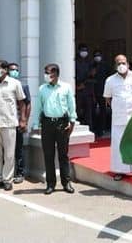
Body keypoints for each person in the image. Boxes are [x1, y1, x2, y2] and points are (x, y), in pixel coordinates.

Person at [31, 63, 77, 195]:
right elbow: (38, 107)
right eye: (45, 72)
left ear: (56, 74)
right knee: (48, 154)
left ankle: (66, 182)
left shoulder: (66, 87)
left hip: (62, 123)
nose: (46, 75)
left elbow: (71, 105)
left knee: (63, 154)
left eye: (48, 72)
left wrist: (72, 121)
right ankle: (50, 184)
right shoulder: (42, 89)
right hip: (47, 124)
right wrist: (36, 125)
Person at [0, 60, 26, 191]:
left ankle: (7, 179)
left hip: (9, 123)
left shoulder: (15, 84)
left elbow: (22, 103)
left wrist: (23, 119)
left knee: (9, 154)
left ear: (5, 70)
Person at [103, 55, 132, 181]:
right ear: (115, 66)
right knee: (118, 144)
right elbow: (107, 98)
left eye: (123, 62)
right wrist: (117, 106)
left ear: (128, 64)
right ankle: (120, 171)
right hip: (119, 117)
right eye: (118, 63)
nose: (121, 65)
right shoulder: (110, 80)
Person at [7, 62, 31, 184]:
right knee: (6, 149)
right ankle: (6, 174)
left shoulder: (23, 86)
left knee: (18, 149)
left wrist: (24, 120)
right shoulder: (3, 86)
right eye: (11, 70)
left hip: (18, 121)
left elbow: (28, 105)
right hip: (6, 121)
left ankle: (20, 173)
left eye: (16, 70)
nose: (14, 72)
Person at [75, 44, 95, 130]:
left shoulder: (90, 62)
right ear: (79, 51)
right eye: (82, 50)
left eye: (85, 50)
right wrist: (77, 86)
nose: (84, 52)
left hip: (87, 90)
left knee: (88, 113)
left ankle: (89, 129)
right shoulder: (75, 62)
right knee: (77, 112)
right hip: (78, 91)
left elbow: (93, 76)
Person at [91, 50, 110, 136]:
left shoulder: (105, 65)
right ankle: (93, 128)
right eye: (95, 56)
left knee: (103, 111)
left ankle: (101, 129)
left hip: (103, 91)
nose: (97, 57)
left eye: (98, 55)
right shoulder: (91, 65)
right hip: (93, 91)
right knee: (92, 111)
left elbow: (109, 78)